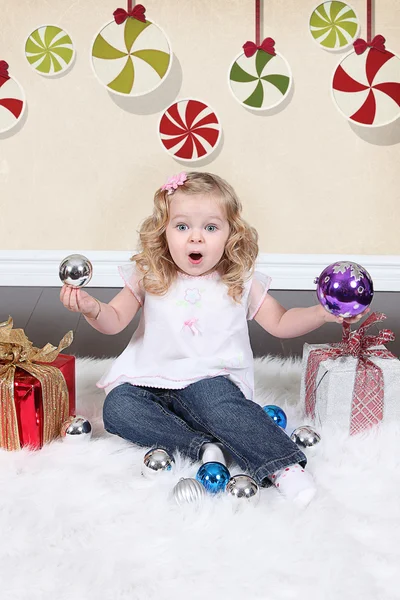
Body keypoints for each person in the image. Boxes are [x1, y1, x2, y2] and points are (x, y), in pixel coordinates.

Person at [60, 172, 368, 506]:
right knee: (118, 408)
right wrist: (92, 308)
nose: (195, 239)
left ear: (230, 235)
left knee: (222, 408)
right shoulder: (149, 275)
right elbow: (114, 321)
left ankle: (283, 466)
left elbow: (280, 322)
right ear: (163, 233)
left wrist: (321, 313)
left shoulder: (239, 281)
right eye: (182, 227)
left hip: (210, 380)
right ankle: (204, 446)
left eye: (210, 228)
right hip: (149, 379)